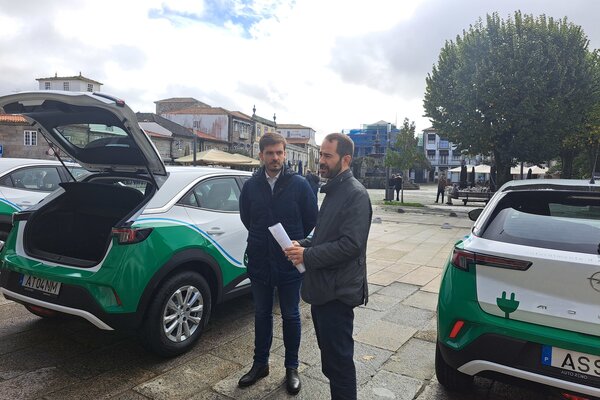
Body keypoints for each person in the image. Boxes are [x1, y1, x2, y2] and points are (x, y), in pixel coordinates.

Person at [284, 133, 372, 400]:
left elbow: (350, 245)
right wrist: (301, 245)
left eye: (327, 156)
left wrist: (307, 256)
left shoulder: (355, 194)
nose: (321, 160)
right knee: (331, 362)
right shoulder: (334, 189)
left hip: (338, 293)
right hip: (324, 289)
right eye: (321, 154)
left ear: (345, 159)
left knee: (339, 364)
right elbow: (325, 235)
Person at [238, 133, 318, 395]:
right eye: (270, 153)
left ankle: (291, 368)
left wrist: (297, 242)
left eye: (279, 153)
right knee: (261, 314)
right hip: (260, 260)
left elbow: (311, 220)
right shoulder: (251, 186)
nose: (275, 158)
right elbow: (247, 218)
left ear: (284, 154)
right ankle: (260, 364)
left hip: (288, 261)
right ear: (261, 155)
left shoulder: (300, 185)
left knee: (291, 315)